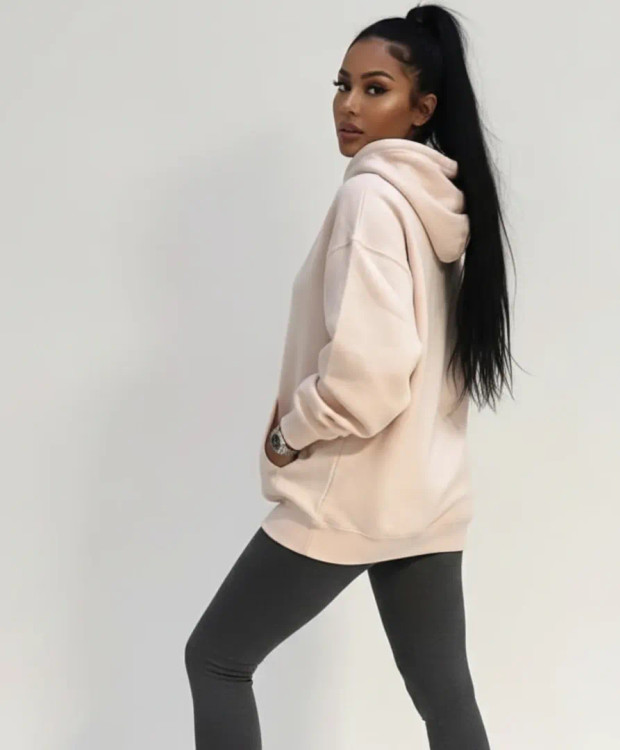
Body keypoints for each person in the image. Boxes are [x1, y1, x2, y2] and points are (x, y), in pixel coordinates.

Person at [184, 4, 514, 748]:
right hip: (425, 493)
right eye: (343, 85)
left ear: (422, 108)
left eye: (375, 89)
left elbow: (371, 376)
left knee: (217, 659)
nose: (349, 105)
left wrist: (289, 434)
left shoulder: (369, 199)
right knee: (445, 700)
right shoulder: (438, 205)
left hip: (353, 491)